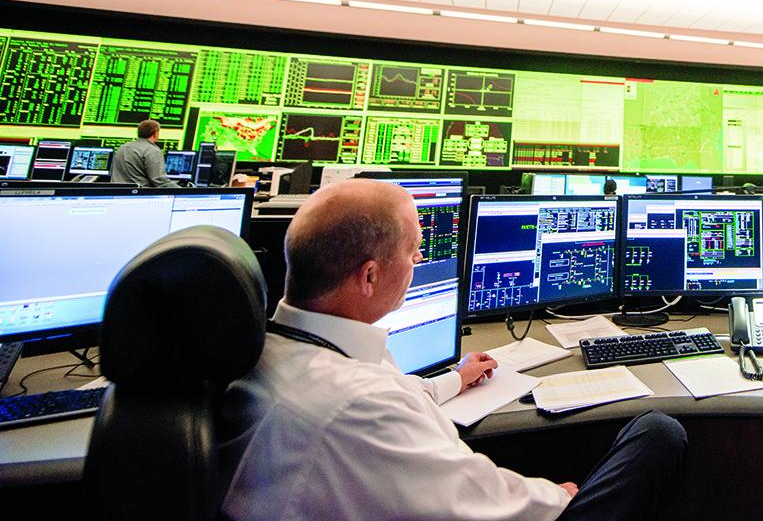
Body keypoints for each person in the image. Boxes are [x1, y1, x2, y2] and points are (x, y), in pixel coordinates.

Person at [220, 178, 687, 521]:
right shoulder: (361, 406)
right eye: (413, 250)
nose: (419, 260)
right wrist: (563, 497)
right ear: (369, 276)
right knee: (658, 433)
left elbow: (396, 397)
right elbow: (487, 503)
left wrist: (454, 378)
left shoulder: (283, 350)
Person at [110, 119, 179, 187]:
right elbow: (159, 180)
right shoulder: (153, 151)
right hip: (140, 194)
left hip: (116, 193)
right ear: (155, 133)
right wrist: (183, 190)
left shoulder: (123, 147)